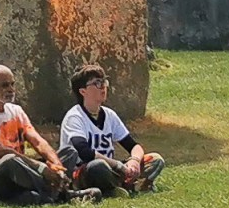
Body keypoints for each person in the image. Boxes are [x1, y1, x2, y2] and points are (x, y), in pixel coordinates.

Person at [0, 64, 76, 205]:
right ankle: (59, 193)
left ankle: (53, 190)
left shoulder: (16, 111)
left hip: (22, 172)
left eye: (12, 84)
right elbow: (0, 151)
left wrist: (56, 165)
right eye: (4, 85)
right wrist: (41, 169)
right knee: (9, 161)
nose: (11, 89)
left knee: (69, 152)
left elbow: (38, 141)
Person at [59, 65, 164, 195]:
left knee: (155, 159)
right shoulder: (74, 117)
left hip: (111, 169)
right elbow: (85, 152)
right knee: (97, 166)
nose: (103, 86)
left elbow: (133, 146)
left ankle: (119, 187)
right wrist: (119, 166)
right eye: (97, 83)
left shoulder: (109, 115)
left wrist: (134, 161)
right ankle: (127, 187)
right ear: (83, 91)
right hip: (84, 172)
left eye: (104, 82)